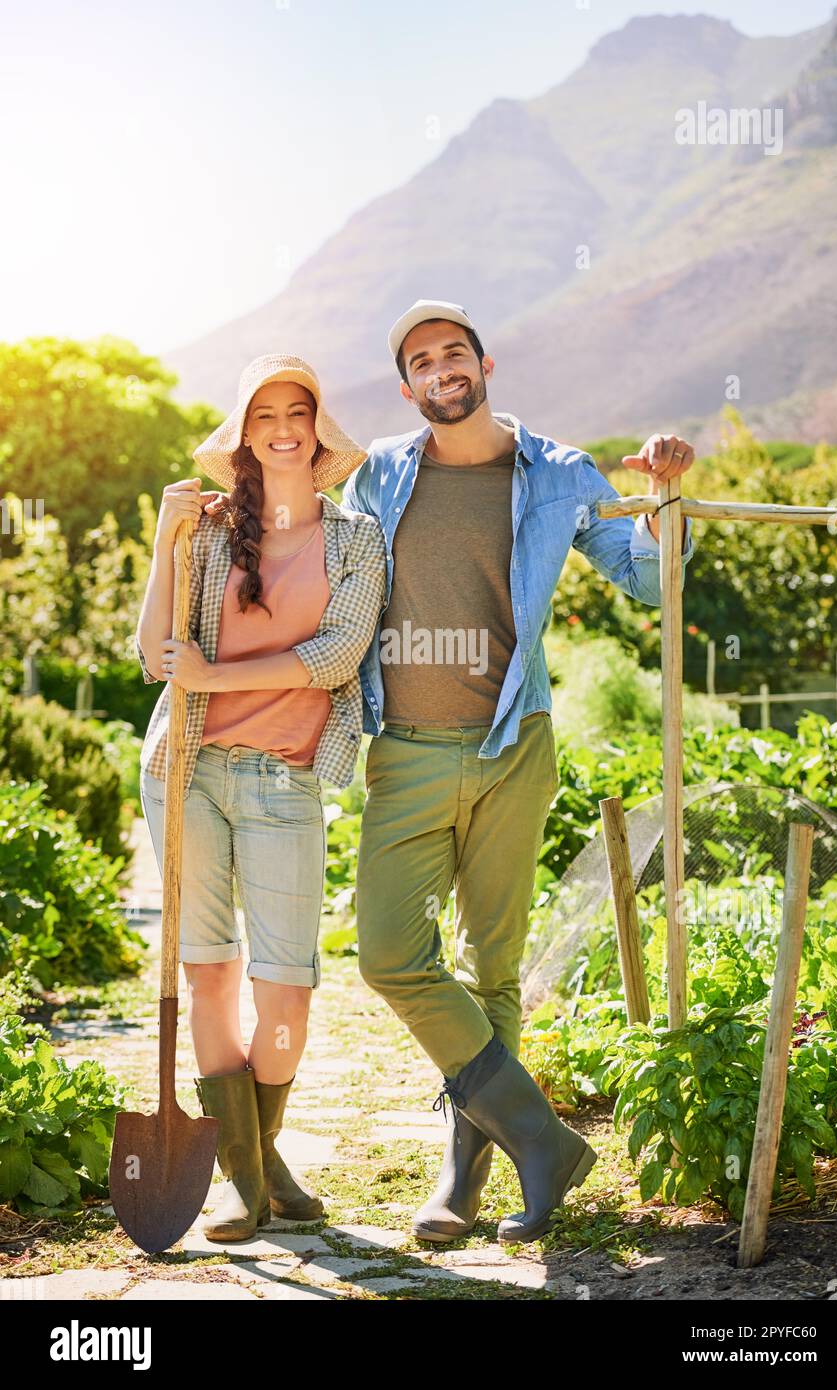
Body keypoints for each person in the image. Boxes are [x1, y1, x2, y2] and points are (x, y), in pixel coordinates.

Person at [342, 299, 696, 1245]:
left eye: (453, 352)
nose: (440, 369)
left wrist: (662, 500)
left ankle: (461, 1178)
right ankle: (542, 1138)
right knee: (390, 954)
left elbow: (646, 578)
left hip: (512, 748)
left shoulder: (558, 471)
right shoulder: (376, 476)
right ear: (406, 385)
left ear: (484, 364)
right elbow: (319, 572)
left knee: (490, 966)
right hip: (406, 750)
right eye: (421, 360)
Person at [135, 354, 386, 1242]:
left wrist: (220, 669)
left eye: (298, 410)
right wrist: (167, 540)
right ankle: (244, 1179)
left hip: (286, 778)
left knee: (288, 991)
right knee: (211, 972)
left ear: (317, 429)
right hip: (188, 770)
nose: (282, 426)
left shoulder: (355, 539)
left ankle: (259, 1149)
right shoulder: (206, 534)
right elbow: (151, 653)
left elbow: (337, 656)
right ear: (242, 434)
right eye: (264, 413)